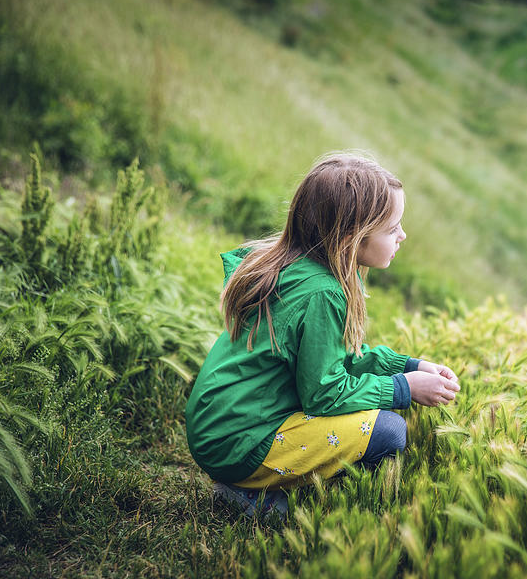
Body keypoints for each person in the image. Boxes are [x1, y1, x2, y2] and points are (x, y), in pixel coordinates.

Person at [185, 152, 460, 518]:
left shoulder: (299, 266)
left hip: (221, 428)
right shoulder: (323, 293)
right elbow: (325, 395)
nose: (403, 236)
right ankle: (252, 495)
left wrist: (412, 366)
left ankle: (261, 485)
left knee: (375, 411)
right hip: (241, 443)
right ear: (353, 238)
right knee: (388, 431)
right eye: (392, 228)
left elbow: (339, 358)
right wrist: (403, 388)